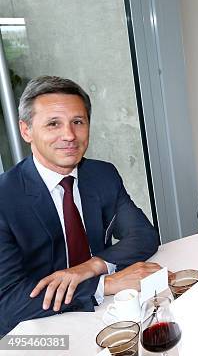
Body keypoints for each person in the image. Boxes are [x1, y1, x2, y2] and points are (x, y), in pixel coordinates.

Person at [0, 76, 161, 335]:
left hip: (104, 316)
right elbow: (7, 304)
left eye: (78, 122)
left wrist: (91, 267)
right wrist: (103, 283)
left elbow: (143, 235)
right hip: (32, 333)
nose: (69, 135)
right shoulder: (4, 198)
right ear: (26, 130)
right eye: (53, 124)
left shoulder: (102, 175)